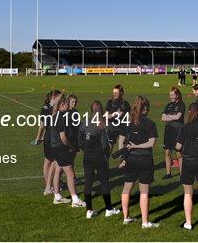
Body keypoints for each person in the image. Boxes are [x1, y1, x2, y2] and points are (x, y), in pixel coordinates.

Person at [118, 96, 159, 228]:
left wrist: (123, 158)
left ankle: (126, 217)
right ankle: (145, 222)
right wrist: (137, 146)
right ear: (145, 109)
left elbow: (121, 141)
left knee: (126, 189)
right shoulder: (150, 123)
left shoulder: (127, 122)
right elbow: (151, 144)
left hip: (130, 159)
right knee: (144, 192)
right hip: (145, 159)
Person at [78, 101, 121, 219]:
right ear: (100, 111)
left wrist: (85, 149)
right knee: (104, 182)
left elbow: (80, 140)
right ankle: (108, 209)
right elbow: (104, 146)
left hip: (87, 157)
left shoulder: (84, 123)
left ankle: (89, 210)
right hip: (99, 157)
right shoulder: (101, 126)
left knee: (88, 182)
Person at [175, 103, 198, 230]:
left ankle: (189, 223)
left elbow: (178, 146)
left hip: (188, 161)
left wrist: (181, 153)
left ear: (189, 112)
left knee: (188, 194)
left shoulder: (185, 128)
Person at [50, 96, 86, 208]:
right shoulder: (61, 117)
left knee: (58, 170)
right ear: (62, 105)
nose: (68, 106)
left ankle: (57, 196)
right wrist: (72, 147)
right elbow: (63, 137)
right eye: (66, 104)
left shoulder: (54, 116)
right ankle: (75, 200)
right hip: (61, 148)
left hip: (54, 146)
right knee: (70, 173)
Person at [34, 90, 59, 195]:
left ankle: (49, 185)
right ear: (53, 98)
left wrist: (38, 138)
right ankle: (49, 186)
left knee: (48, 162)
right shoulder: (52, 109)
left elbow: (42, 125)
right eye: (58, 97)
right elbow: (43, 125)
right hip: (51, 138)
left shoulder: (45, 107)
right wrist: (37, 138)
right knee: (53, 163)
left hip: (47, 137)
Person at [161, 86, 186, 179]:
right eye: (170, 95)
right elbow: (163, 117)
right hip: (168, 131)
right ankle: (168, 173)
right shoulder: (168, 105)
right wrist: (172, 116)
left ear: (177, 95)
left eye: (172, 95)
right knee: (167, 152)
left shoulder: (181, 104)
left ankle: (182, 173)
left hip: (178, 131)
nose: (170, 96)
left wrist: (169, 116)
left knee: (179, 153)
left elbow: (178, 117)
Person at [105, 84, 131, 154]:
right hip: (111, 128)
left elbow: (125, 116)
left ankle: (121, 164)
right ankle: (105, 164)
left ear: (121, 93)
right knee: (108, 150)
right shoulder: (110, 102)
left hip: (122, 128)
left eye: (116, 93)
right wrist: (115, 113)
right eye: (113, 93)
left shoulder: (125, 103)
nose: (114, 94)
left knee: (121, 150)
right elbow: (106, 116)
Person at [67, 94, 81, 185]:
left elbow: (78, 125)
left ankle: (73, 177)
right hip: (69, 139)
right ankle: (72, 178)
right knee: (67, 161)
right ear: (68, 102)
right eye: (72, 102)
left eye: (75, 102)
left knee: (72, 160)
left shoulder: (76, 112)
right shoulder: (66, 113)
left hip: (75, 139)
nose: (74, 103)